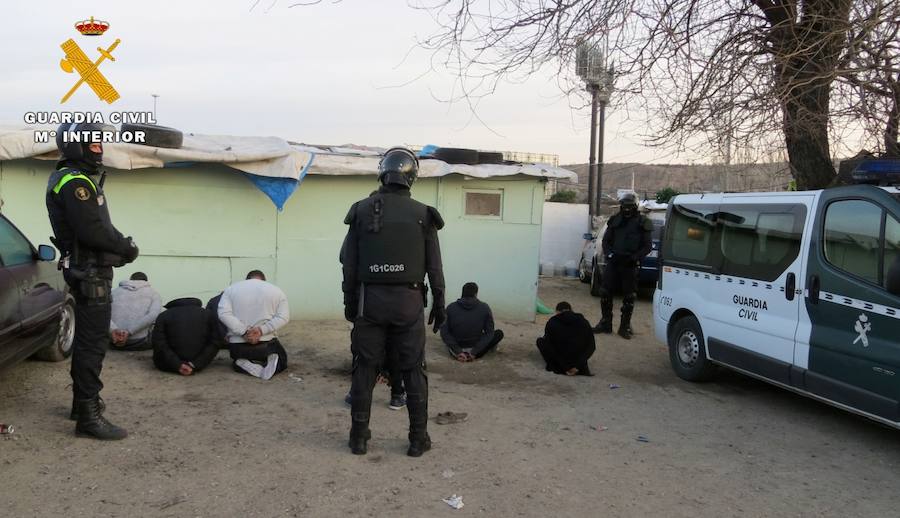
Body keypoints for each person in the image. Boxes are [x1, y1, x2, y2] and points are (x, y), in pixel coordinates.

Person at [340, 146, 446, 457]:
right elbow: (434, 266)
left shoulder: (360, 210)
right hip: (409, 301)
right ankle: (417, 439)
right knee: (414, 369)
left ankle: (358, 436)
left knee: (364, 368)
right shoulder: (424, 214)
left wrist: (350, 304)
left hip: (369, 300)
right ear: (412, 177)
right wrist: (439, 303)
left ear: (382, 172)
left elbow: (348, 263)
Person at [45, 122, 140, 440]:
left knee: (88, 341)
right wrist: (126, 247)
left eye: (100, 144)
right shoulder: (76, 183)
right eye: (93, 145)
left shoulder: (70, 178)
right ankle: (88, 416)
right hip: (91, 273)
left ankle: (81, 404)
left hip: (86, 270)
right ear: (75, 147)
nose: (99, 150)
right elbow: (93, 231)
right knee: (92, 344)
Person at [592, 192, 653, 339]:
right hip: (613, 261)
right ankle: (605, 323)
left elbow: (647, 246)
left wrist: (635, 257)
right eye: (624, 206)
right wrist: (610, 254)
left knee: (629, 296)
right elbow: (606, 241)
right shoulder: (614, 220)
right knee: (605, 292)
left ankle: (624, 326)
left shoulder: (642, 222)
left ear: (635, 206)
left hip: (630, 263)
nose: (626, 209)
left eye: (629, 206)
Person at [217, 270, 289, 380]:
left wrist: (244, 331)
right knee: (282, 360)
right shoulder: (276, 291)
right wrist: (261, 330)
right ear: (264, 280)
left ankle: (242, 362)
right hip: (267, 344)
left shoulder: (230, 289)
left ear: (247, 279)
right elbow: (283, 317)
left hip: (239, 345)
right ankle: (272, 360)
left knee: (236, 363)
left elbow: (223, 314)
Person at [151, 297, 221, 375]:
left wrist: (178, 364)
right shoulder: (208, 315)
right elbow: (215, 341)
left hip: (167, 365)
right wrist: (195, 364)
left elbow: (159, 343)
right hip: (199, 364)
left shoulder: (164, 315)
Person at [440, 282, 504, 362]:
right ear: (476, 294)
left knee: (447, 333)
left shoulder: (450, 307)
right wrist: (474, 352)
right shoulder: (484, 307)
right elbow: (489, 332)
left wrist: (458, 351)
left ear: (462, 293)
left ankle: (461, 354)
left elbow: (444, 332)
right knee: (498, 333)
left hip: (456, 351)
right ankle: (472, 354)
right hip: (476, 352)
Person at [537, 302, 596, 376]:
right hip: (579, 368)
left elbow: (550, 348)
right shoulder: (583, 322)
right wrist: (577, 367)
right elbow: (592, 347)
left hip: (559, 367)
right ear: (571, 310)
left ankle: (560, 367)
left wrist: (565, 367)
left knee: (540, 341)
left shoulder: (552, 322)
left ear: (557, 312)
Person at [109, 272, 162, 351]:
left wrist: (114, 330)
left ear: (130, 280)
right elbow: (153, 315)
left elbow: (102, 313)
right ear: (146, 281)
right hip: (138, 342)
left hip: (112, 339)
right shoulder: (154, 294)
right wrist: (128, 332)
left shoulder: (114, 292)